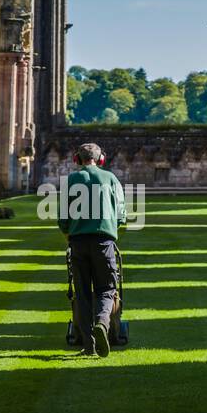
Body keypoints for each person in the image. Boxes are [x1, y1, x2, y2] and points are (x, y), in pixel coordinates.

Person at [58, 143, 126, 357]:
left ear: (77, 159)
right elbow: (121, 216)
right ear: (101, 159)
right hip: (103, 242)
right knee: (107, 289)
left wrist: (71, 232)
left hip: (77, 243)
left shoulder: (70, 180)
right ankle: (103, 325)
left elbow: (63, 220)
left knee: (82, 293)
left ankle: (88, 345)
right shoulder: (111, 179)